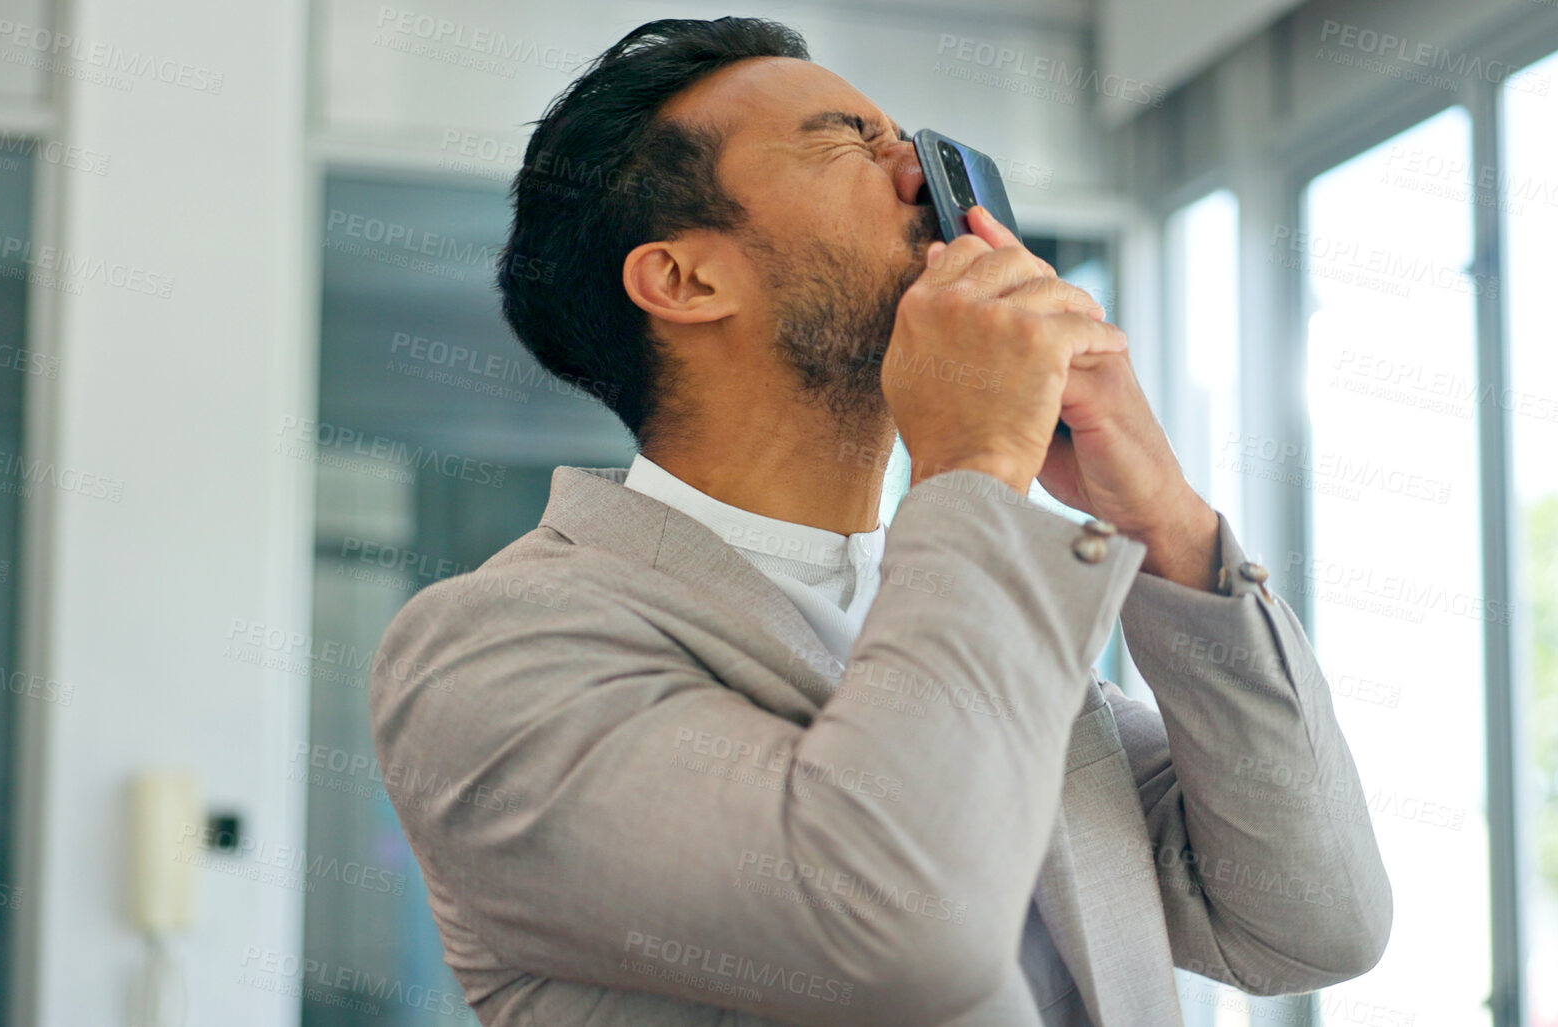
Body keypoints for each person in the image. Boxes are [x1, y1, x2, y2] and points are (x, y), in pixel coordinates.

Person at [369, 16, 1390, 1026]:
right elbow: (901, 927)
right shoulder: (487, 655)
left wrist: (1163, 516)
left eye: (910, 142)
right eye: (847, 142)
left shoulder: (996, 633)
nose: (925, 176)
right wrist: (977, 470)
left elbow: (1311, 922)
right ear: (684, 279)